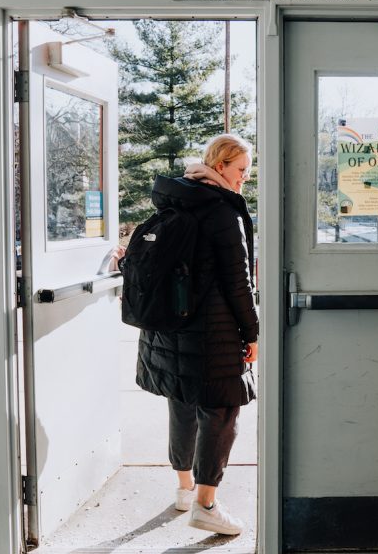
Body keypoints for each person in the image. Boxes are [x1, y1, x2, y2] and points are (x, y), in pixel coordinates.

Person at [134, 133, 258, 536]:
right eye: (241, 171)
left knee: (182, 401)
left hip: (170, 327)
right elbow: (239, 281)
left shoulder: (177, 198)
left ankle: (185, 489)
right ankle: (206, 503)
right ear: (220, 166)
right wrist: (252, 332)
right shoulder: (222, 211)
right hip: (212, 332)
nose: (244, 180)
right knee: (222, 410)